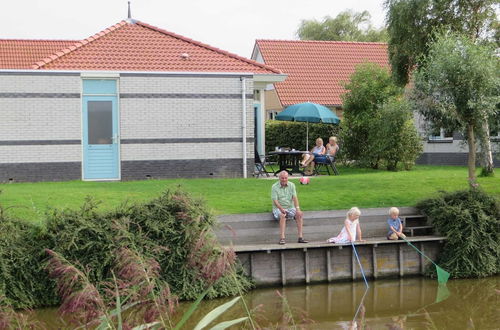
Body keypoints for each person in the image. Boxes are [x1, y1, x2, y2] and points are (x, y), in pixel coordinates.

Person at [271, 171, 308, 245]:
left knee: (299, 215)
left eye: (285, 178)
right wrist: (281, 209)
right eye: (282, 178)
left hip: (290, 207)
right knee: (282, 215)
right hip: (278, 208)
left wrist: (298, 209)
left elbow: (295, 198)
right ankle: (282, 238)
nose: (284, 180)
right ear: (279, 178)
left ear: (288, 178)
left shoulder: (292, 185)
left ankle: (300, 237)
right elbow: (275, 201)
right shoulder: (274, 187)